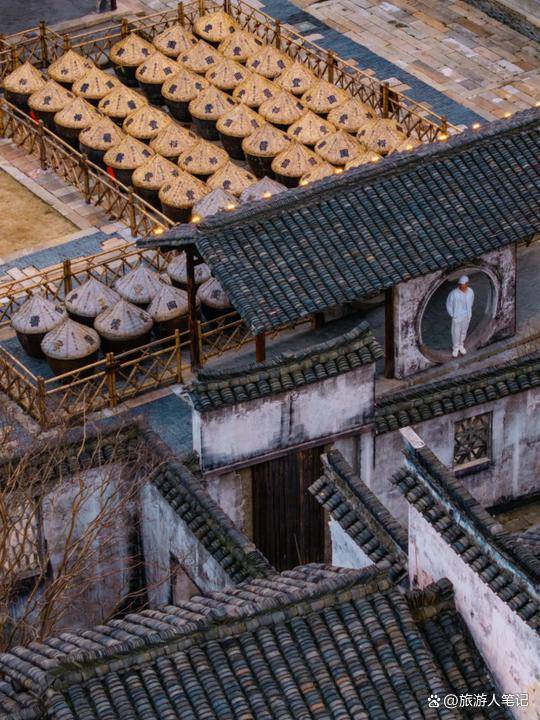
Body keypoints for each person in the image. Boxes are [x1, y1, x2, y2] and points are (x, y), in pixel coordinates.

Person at [446, 275, 474, 358]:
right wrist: (453, 315)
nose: (462, 285)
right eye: (461, 284)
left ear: (467, 283)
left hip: (466, 315)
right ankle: (455, 348)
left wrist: (469, 311)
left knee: (464, 331)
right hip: (457, 316)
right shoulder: (453, 293)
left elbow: (472, 301)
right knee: (455, 333)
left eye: (464, 284)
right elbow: (448, 305)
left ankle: (461, 345)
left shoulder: (471, 291)